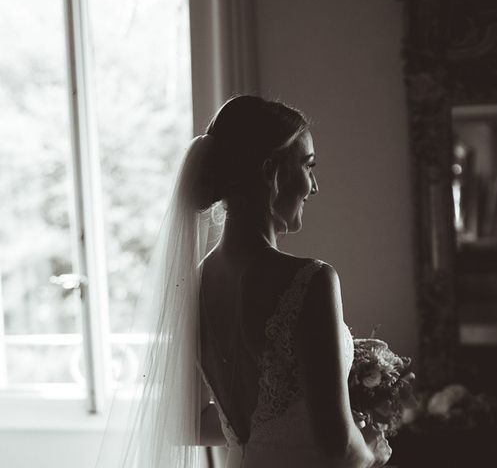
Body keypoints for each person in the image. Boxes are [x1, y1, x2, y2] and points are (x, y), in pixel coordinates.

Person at [96, 95, 391, 468]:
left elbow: (186, 425)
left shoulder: (196, 283)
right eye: (307, 165)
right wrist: (371, 448)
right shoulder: (312, 280)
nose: (313, 186)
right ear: (271, 171)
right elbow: (337, 445)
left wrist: (283, 429)